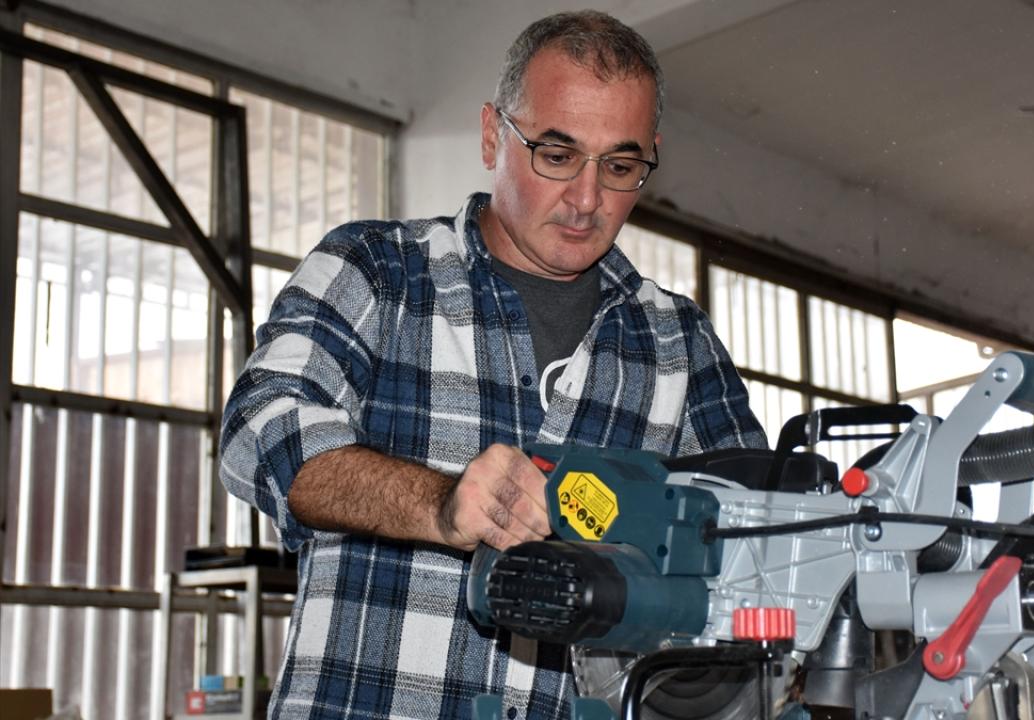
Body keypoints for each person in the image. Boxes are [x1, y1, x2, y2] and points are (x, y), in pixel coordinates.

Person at [220, 10, 766, 720]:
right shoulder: (379, 272)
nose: (587, 200)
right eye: (557, 155)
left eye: (620, 167)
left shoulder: (677, 343)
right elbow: (257, 430)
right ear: (491, 135)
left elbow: (755, 537)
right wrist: (437, 504)